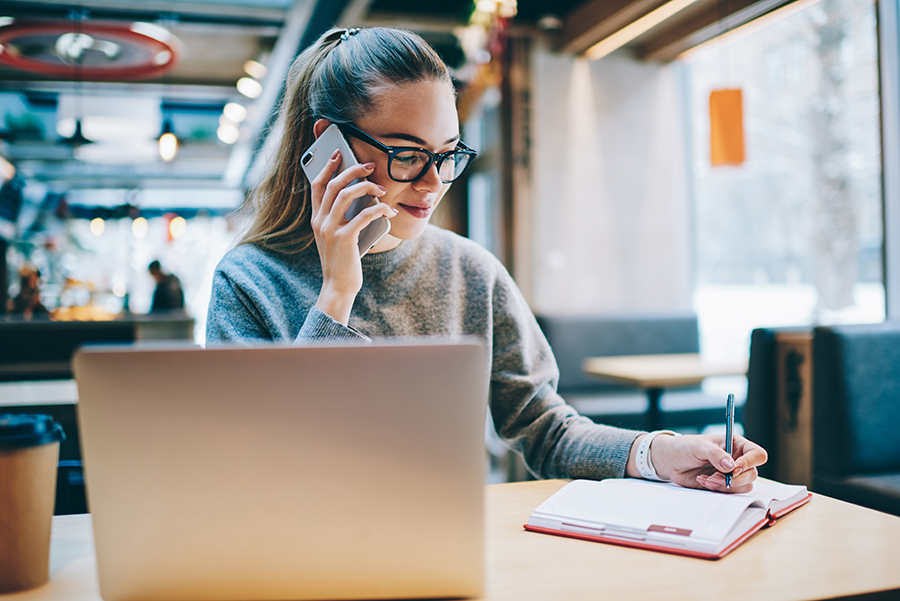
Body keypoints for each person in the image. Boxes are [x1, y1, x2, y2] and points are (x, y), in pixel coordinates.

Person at [206, 27, 766, 491]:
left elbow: (545, 430)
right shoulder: (248, 280)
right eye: (407, 154)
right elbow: (260, 466)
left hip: (449, 550)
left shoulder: (470, 270)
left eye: (448, 155)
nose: (433, 184)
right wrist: (336, 294)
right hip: (299, 562)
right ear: (328, 144)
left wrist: (657, 454)